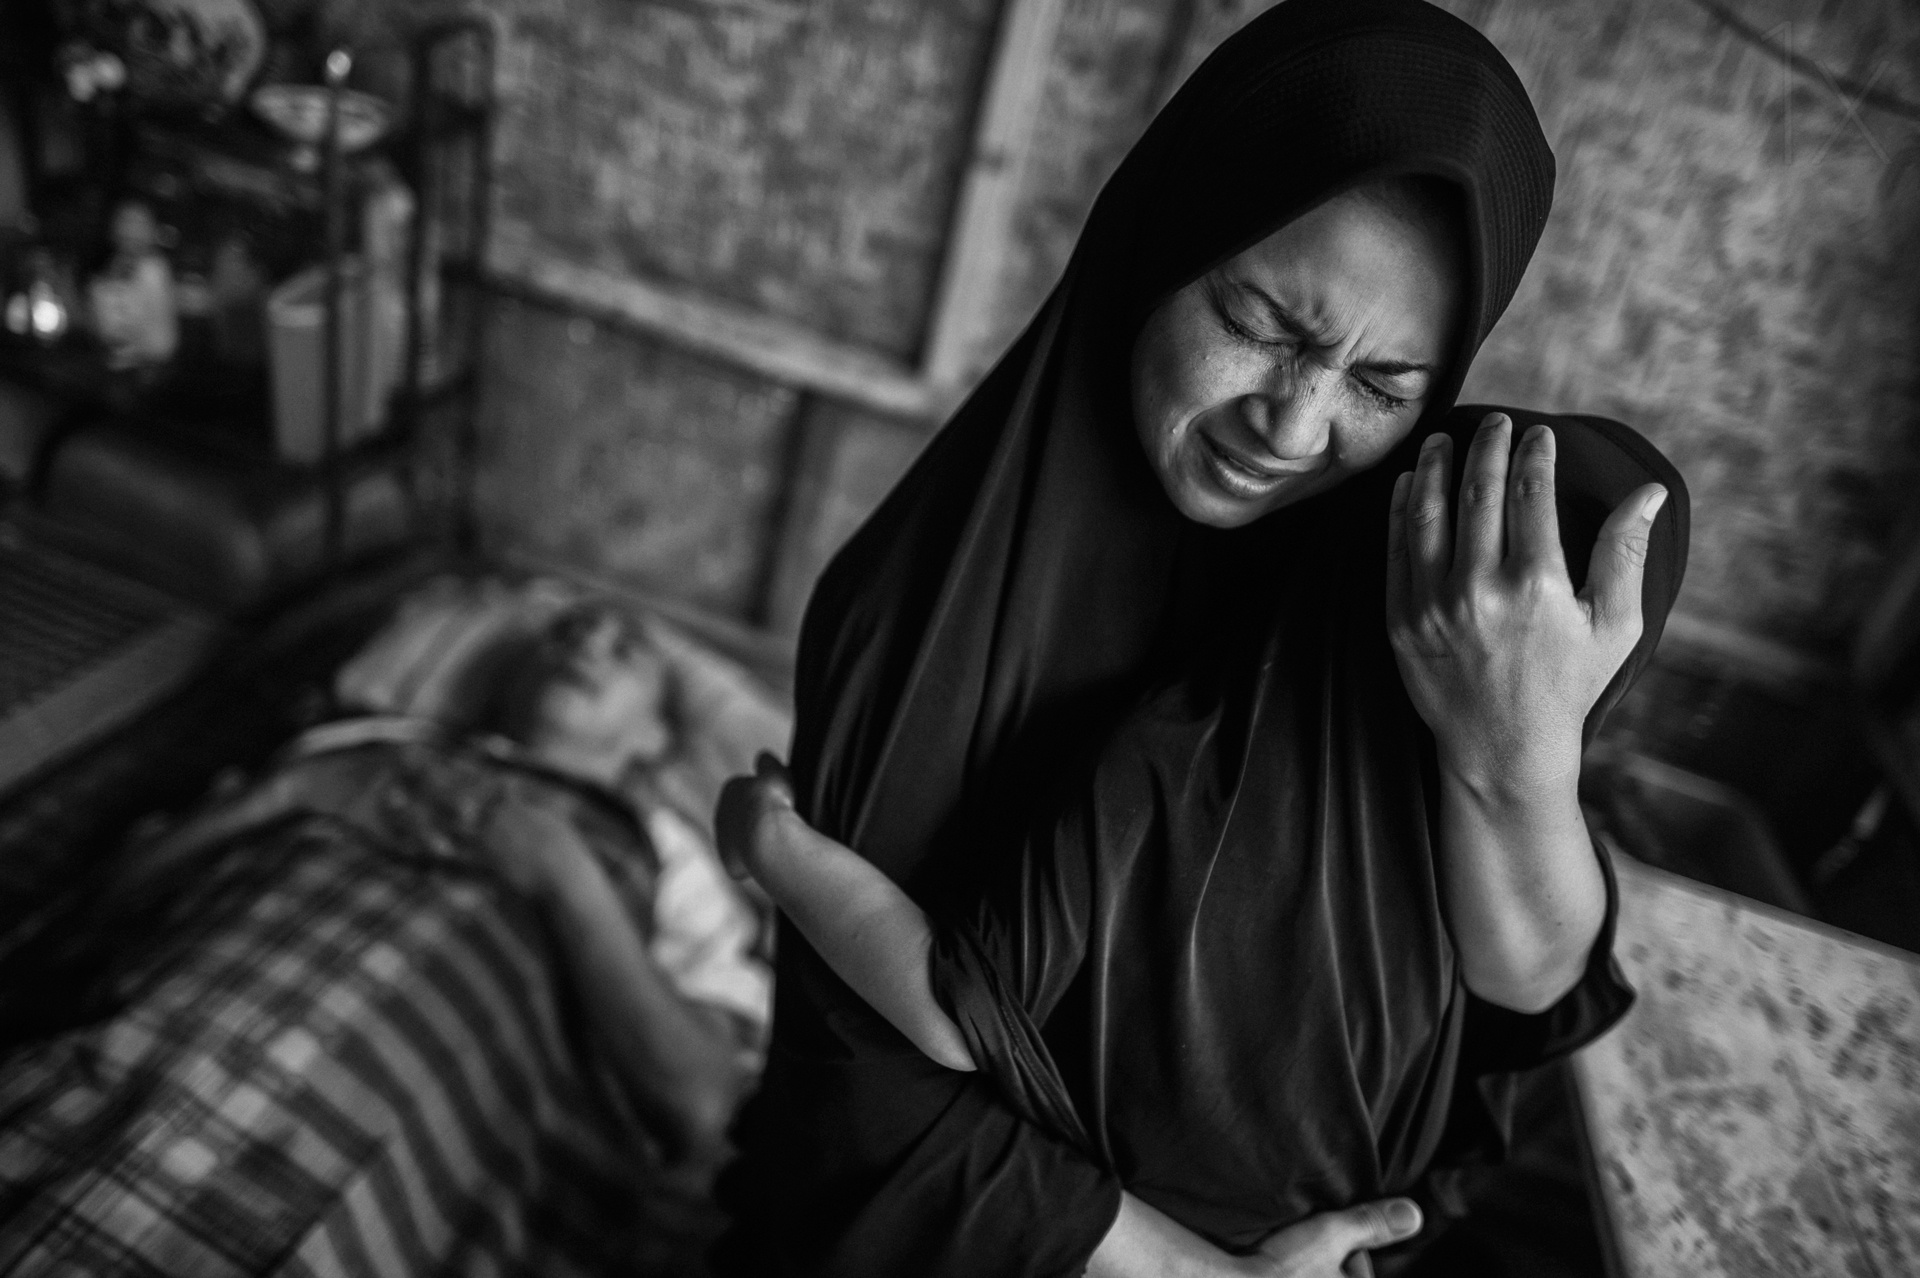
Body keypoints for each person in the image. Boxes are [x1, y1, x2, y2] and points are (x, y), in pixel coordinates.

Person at [712, 2, 1688, 1276]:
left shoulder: (1393, 615)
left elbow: (1525, 996)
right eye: (1261, 325)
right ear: (1168, 239)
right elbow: (871, 1089)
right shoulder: (928, 611)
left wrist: (1521, 758)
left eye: (1382, 386)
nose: (1294, 426)